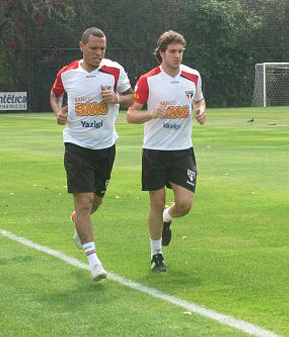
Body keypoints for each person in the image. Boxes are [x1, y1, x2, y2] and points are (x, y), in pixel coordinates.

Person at [50, 27, 133, 281]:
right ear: (82, 46)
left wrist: (117, 98)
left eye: (102, 49)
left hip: (106, 146)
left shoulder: (115, 71)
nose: (99, 53)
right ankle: (94, 261)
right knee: (84, 201)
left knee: (95, 201)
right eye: (94, 48)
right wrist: (58, 112)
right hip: (76, 145)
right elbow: (56, 94)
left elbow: (133, 97)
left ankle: (78, 221)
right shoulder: (67, 73)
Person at [126, 30, 206, 273]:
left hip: (182, 150)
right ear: (161, 53)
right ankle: (156, 254)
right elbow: (131, 115)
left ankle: (167, 218)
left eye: (181, 51)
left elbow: (199, 100)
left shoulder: (193, 76)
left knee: (185, 204)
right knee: (156, 201)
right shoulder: (148, 80)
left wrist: (201, 110)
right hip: (155, 151)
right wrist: (152, 113)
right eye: (172, 51)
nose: (177, 56)